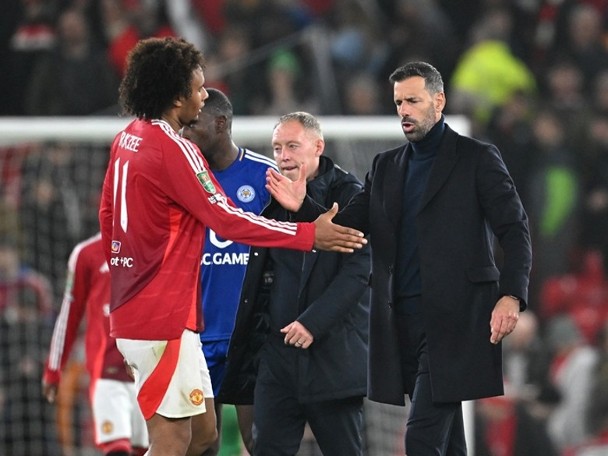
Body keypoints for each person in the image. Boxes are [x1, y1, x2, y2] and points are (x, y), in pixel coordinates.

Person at [97, 37, 365, 456]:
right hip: (161, 317)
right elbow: (225, 218)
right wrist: (309, 234)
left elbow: (107, 214)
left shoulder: (127, 138)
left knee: (204, 435)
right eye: (198, 88)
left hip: (152, 312)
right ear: (177, 95)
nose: (204, 96)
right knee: (172, 441)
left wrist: (125, 270)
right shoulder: (176, 149)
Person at [266, 61, 533, 455]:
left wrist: (511, 295)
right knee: (448, 441)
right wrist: (304, 208)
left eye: (413, 101)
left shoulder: (477, 158)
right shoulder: (386, 165)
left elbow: (515, 229)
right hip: (401, 322)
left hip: (456, 320)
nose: (404, 111)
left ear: (438, 101)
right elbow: (348, 227)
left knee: (421, 439)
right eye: (398, 103)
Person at [219, 112, 371, 455]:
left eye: (292, 146)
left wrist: (312, 323)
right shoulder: (269, 197)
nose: (283, 156)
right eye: (277, 148)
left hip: (332, 356)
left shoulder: (350, 194)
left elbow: (359, 270)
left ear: (318, 147)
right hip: (278, 358)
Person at [181, 87, 271, 454]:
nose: (185, 133)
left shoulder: (265, 176)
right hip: (198, 336)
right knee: (202, 442)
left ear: (220, 124)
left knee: (260, 441)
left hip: (251, 336)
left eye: (193, 125)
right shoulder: (182, 178)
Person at [42, 232, 148, 456]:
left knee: (151, 449)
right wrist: (54, 368)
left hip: (149, 369)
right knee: (117, 448)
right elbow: (69, 313)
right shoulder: (87, 253)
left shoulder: (154, 242)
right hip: (107, 371)